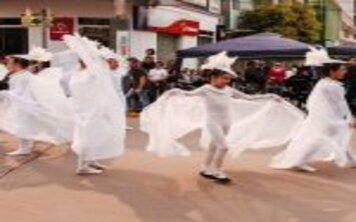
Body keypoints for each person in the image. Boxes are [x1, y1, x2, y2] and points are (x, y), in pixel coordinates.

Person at [141, 52, 304, 184]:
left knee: (214, 145)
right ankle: (217, 170)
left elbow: (250, 98)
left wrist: (270, 95)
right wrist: (173, 92)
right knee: (224, 146)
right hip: (213, 121)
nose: (227, 81)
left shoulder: (229, 90)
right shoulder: (206, 88)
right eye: (224, 78)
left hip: (227, 122)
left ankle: (205, 167)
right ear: (214, 77)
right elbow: (188, 94)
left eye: (228, 78)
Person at [271, 49, 356, 172]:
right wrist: (349, 118)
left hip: (328, 117)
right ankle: (299, 161)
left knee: (338, 137)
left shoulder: (324, 82)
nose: (344, 71)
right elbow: (341, 104)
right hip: (329, 119)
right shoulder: (333, 86)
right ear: (333, 71)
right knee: (320, 140)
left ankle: (352, 160)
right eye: (342, 69)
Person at [63, 34, 126, 175]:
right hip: (88, 111)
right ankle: (82, 166)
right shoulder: (87, 74)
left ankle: (91, 161)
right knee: (88, 137)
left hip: (92, 110)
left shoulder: (83, 73)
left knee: (96, 135)